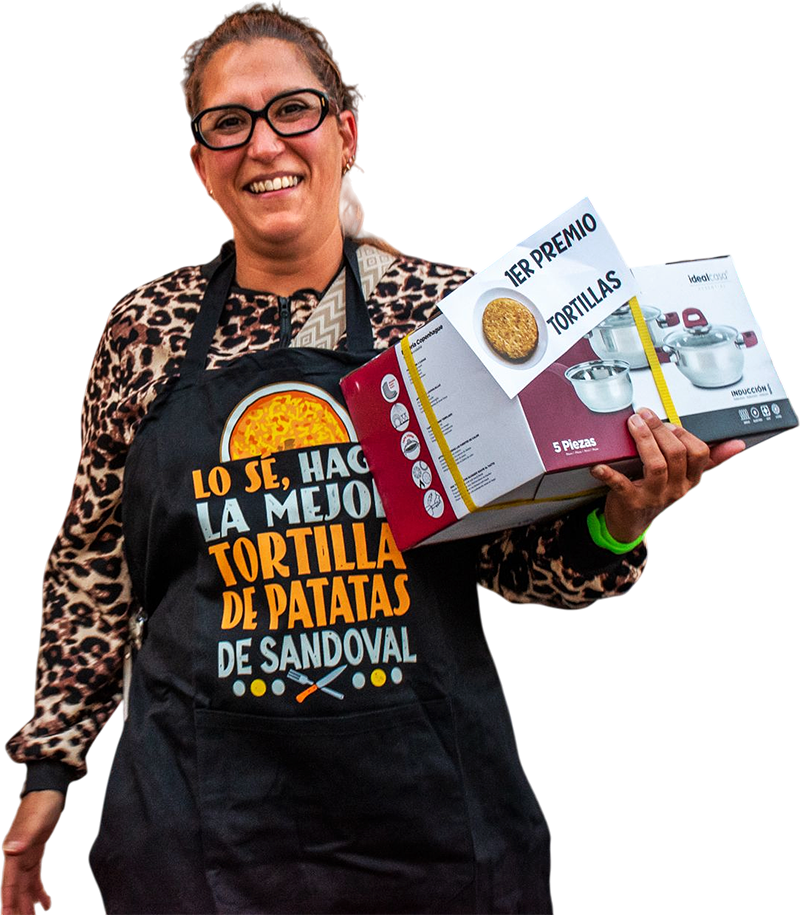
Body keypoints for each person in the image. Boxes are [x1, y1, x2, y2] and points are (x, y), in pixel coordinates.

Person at [1, 7, 745, 914]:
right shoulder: (144, 335)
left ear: (346, 136)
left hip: (427, 827)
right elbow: (94, 565)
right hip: (195, 829)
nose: (263, 143)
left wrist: (617, 518)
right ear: (201, 163)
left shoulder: (449, 319)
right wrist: (52, 766)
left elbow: (516, 561)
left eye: (292, 110)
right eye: (229, 122)